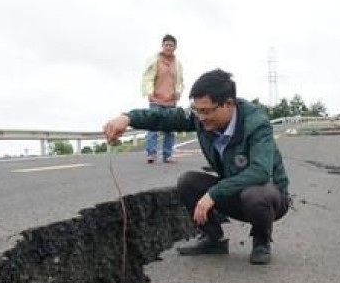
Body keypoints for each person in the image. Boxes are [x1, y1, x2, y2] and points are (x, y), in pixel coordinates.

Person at [104, 69, 290, 265]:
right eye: (197, 110)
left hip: (269, 197)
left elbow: (260, 172)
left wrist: (213, 194)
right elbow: (164, 117)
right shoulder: (200, 117)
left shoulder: (256, 124)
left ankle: (261, 240)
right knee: (188, 182)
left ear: (228, 104)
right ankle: (213, 239)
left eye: (206, 111)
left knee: (256, 195)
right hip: (233, 191)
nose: (200, 117)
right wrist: (128, 118)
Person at [140, 34, 184, 164]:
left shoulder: (177, 63)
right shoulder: (154, 60)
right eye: (166, 45)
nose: (169, 47)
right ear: (162, 46)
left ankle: (167, 155)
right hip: (156, 99)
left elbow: (180, 81)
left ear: (175, 47)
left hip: (171, 100)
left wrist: (178, 92)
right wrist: (148, 92)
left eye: (171, 45)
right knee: (153, 127)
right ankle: (151, 154)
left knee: (169, 129)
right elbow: (147, 77)